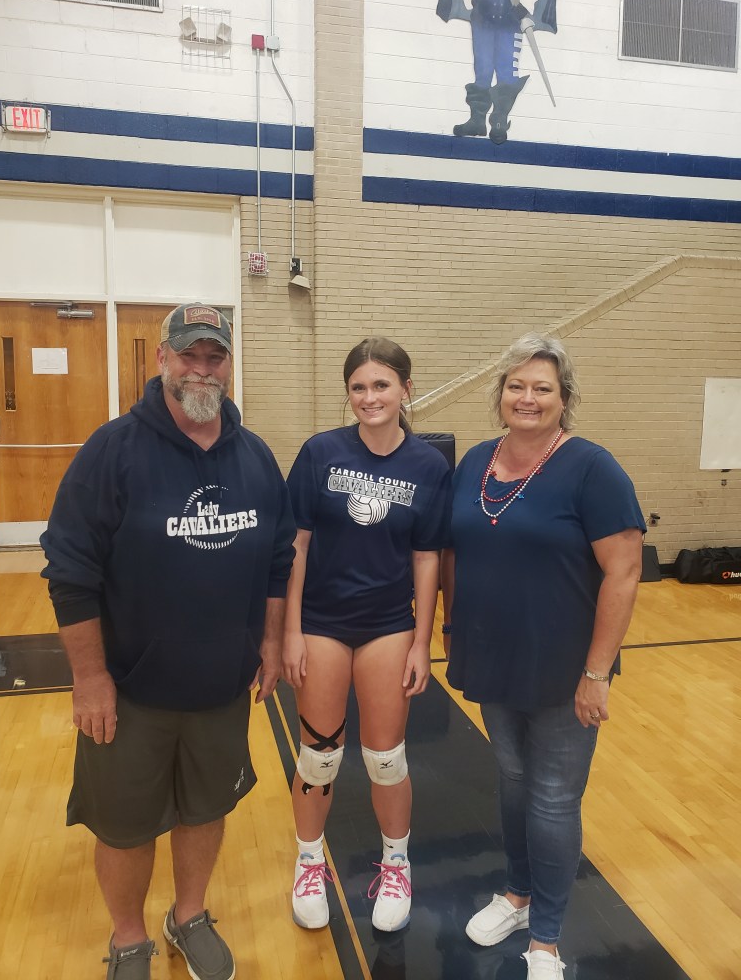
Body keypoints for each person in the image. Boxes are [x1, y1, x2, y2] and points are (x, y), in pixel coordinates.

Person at [40, 303, 296, 980]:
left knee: (205, 809)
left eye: (215, 356)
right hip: (130, 691)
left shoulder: (255, 456)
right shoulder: (113, 451)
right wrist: (90, 678)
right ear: (161, 359)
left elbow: (277, 561)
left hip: (221, 687)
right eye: (189, 355)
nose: (202, 369)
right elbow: (70, 572)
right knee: (125, 825)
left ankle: (189, 915)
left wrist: (271, 644)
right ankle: (129, 938)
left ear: (229, 365)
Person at [441, 333, 645, 980]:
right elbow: (455, 551)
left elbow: (624, 572)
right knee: (512, 781)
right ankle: (518, 895)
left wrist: (597, 672)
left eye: (542, 388)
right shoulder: (477, 461)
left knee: (554, 799)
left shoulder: (592, 468)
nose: (527, 398)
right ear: (499, 393)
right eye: (516, 386)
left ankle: (547, 942)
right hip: (493, 656)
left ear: (564, 399)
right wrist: (452, 625)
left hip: (564, 668)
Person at [282, 337, 451, 933]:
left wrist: (421, 641)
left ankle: (396, 863)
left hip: (387, 625)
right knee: (318, 756)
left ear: (406, 389)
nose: (369, 396)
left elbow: (427, 557)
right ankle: (309, 861)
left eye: (381, 385)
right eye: (358, 386)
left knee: (385, 758)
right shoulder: (321, 452)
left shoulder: (428, 466)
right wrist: (291, 631)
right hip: (322, 623)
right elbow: (296, 545)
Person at [437, 0, 557, 143]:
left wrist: (525, 4)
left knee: (507, 69)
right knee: (482, 68)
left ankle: (499, 122)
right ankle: (477, 121)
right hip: (482, 17)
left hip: (511, 21)